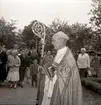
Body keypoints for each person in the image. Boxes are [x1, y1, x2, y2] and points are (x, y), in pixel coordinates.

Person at [41, 31, 82, 105]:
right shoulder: (60, 52)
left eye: (54, 41)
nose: (52, 43)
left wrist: (49, 72)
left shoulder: (67, 57)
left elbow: (64, 76)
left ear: (62, 41)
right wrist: (46, 69)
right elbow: (56, 67)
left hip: (61, 89)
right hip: (56, 86)